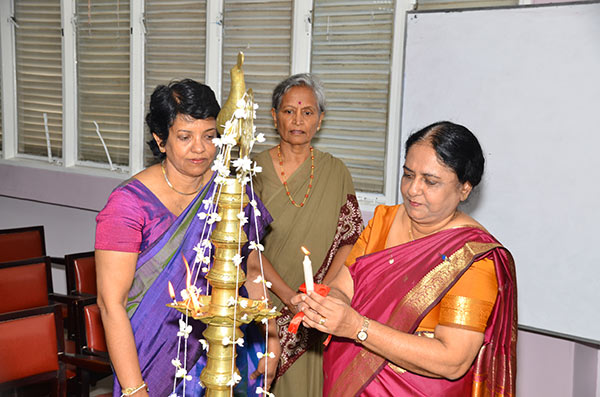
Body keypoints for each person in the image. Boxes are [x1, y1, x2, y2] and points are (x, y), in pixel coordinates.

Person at [293, 121, 517, 396]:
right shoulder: (383, 221)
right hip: (353, 382)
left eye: (430, 181)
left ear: (464, 188)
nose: (413, 189)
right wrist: (327, 308)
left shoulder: (472, 258)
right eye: (408, 175)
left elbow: (453, 361)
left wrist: (356, 327)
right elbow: (343, 286)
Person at [95, 79, 277, 396]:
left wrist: (272, 340)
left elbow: (250, 268)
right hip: (150, 359)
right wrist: (135, 389)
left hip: (224, 349)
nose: (200, 148)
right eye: (185, 137)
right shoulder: (128, 204)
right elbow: (112, 304)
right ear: (160, 139)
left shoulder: (230, 190)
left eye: (209, 137)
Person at [248, 73, 364, 396]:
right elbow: (247, 248)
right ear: (274, 116)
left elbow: (351, 239)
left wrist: (320, 295)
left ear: (320, 119)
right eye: (288, 111)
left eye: (308, 112)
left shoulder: (336, 172)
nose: (297, 120)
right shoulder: (253, 172)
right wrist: (289, 297)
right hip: (264, 305)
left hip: (317, 309)